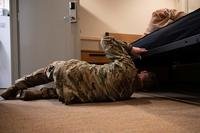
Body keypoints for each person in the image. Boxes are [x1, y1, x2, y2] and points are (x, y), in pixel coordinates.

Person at [1, 35, 152, 104]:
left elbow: (106, 40)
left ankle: (16, 86)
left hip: (70, 71)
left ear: (143, 74)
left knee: (48, 72)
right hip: (71, 96)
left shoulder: (128, 67)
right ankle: (32, 95)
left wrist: (131, 49)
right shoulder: (127, 95)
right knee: (72, 91)